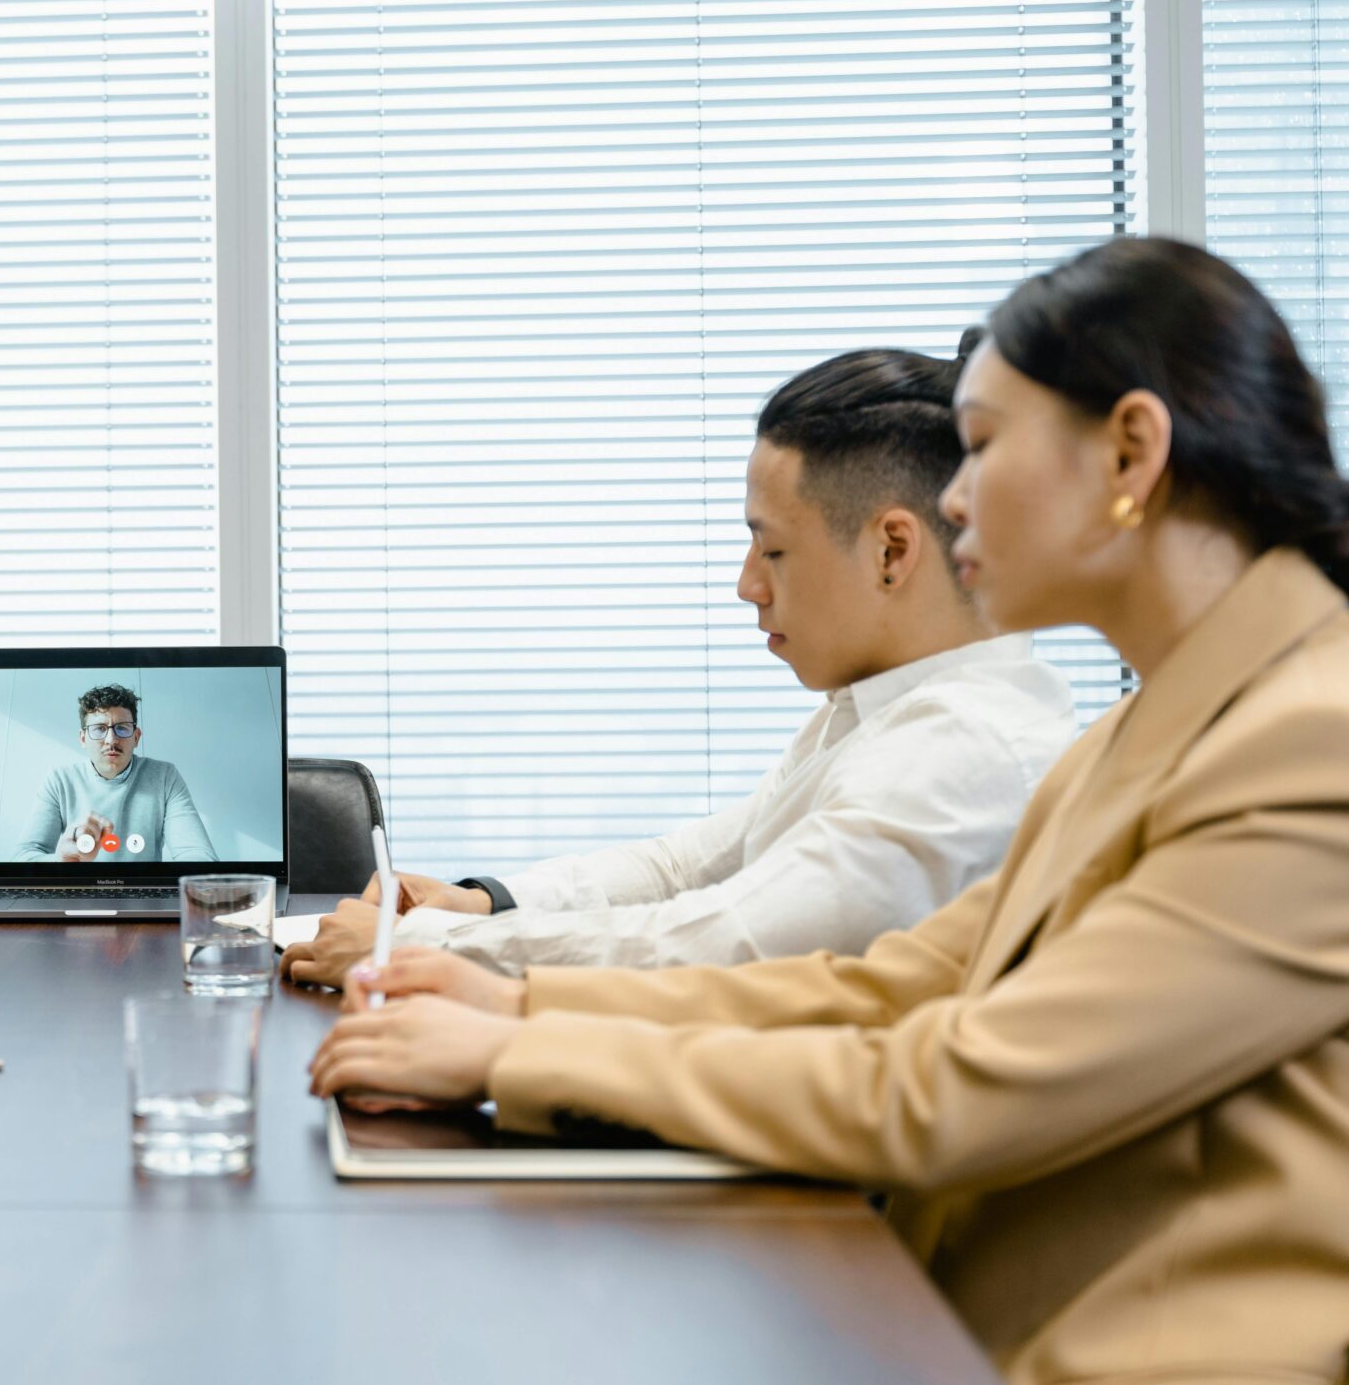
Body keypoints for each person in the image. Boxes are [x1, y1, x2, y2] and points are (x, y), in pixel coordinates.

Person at [309, 237, 1349, 1385]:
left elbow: (950, 1090)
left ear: (1131, 451)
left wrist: (519, 1045)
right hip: (952, 1311)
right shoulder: (1143, 730)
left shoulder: (1310, 742)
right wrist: (521, 998)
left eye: (986, 447)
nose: (950, 498)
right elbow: (891, 984)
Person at [283, 344, 1077, 987]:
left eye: (773, 549)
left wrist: (415, 945)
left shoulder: (962, 751)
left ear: (891, 551)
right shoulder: (882, 706)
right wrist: (486, 903)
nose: (746, 584)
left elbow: (725, 940)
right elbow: (693, 866)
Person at [7, 684, 215, 863]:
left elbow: (199, 858)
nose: (110, 740)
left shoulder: (164, 777)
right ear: (83, 738)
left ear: (136, 737)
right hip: (78, 891)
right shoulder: (60, 781)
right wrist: (59, 862)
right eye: (99, 729)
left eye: (122, 728)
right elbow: (23, 856)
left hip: (142, 892)